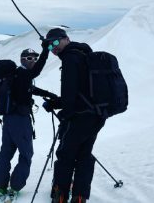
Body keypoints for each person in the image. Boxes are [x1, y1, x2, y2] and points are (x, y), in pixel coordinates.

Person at [42, 28, 106, 203]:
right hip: (96, 116)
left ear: (67, 39)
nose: (53, 48)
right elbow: (80, 91)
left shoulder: (70, 58)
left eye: (56, 42)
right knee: (84, 156)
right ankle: (79, 198)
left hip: (79, 117)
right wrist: (56, 103)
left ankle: (60, 196)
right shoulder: (84, 54)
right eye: (49, 46)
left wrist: (64, 113)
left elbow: (70, 94)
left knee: (65, 156)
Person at [0, 43, 57, 201]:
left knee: (6, 153)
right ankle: (15, 186)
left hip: (8, 120)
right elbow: (37, 71)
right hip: (20, 121)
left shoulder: (16, 75)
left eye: (35, 58)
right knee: (26, 154)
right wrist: (45, 51)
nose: (33, 60)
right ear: (22, 59)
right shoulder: (24, 74)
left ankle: (1, 187)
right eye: (29, 58)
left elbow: (30, 89)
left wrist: (48, 94)